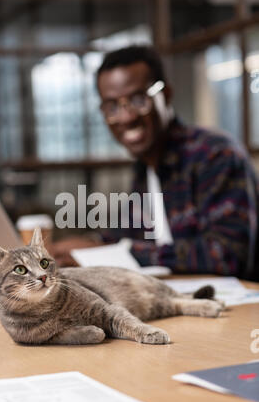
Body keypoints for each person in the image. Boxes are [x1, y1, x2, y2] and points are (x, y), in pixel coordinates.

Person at [51, 45, 259, 279]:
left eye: (139, 99)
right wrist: (82, 246)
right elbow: (126, 236)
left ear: (166, 95)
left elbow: (227, 255)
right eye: (112, 106)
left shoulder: (214, 156)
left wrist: (118, 252)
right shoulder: (145, 165)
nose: (127, 117)